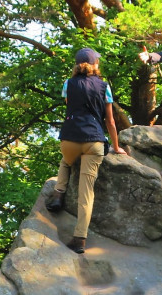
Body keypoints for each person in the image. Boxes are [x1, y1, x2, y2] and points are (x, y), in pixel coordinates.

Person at [47, 47, 126, 254]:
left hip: (70, 138)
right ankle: (80, 239)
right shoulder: (104, 87)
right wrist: (116, 147)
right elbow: (109, 120)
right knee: (86, 193)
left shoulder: (68, 84)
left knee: (66, 160)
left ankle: (58, 193)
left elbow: (70, 105)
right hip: (94, 141)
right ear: (94, 65)